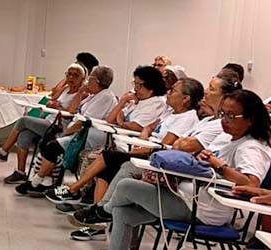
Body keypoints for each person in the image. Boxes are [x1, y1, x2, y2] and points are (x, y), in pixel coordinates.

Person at [65, 76, 243, 239]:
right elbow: (155, 133)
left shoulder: (215, 127)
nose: (205, 92)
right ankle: (98, 212)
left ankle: (93, 206)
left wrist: (214, 163)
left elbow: (179, 146)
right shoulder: (197, 119)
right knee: (118, 189)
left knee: (120, 171)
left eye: (211, 88)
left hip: (186, 193)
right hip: (176, 180)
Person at [104, 89, 271, 250]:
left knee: (127, 186)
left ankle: (101, 211)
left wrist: (218, 165)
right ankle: (106, 211)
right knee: (122, 212)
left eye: (231, 116)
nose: (224, 120)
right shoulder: (226, 137)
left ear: (250, 119)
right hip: (185, 197)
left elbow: (252, 184)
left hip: (202, 210)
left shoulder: (252, 147)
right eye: (222, 114)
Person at [45, 78, 203, 207]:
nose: (169, 92)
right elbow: (149, 127)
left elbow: (163, 147)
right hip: (143, 149)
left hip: (154, 159)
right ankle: (94, 210)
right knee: (106, 165)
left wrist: (140, 144)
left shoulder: (187, 118)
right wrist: (144, 135)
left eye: (174, 90)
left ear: (185, 98)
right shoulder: (170, 112)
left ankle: (75, 191)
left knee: (108, 156)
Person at [12, 65, 117, 195]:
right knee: (44, 142)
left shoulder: (105, 97)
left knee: (52, 146)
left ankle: (35, 182)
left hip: (88, 135)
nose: (87, 82)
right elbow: (73, 109)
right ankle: (44, 182)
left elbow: (83, 121)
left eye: (90, 79)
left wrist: (66, 133)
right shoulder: (92, 95)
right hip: (77, 131)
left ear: (97, 81)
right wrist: (79, 93)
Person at [0, 63, 87, 185]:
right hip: (49, 120)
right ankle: (20, 173)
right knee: (24, 134)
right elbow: (50, 101)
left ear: (82, 79)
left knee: (23, 121)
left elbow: (71, 111)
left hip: (60, 125)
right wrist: (52, 104)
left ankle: (3, 152)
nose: (71, 78)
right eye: (69, 74)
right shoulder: (65, 89)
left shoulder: (81, 93)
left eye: (75, 75)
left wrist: (61, 106)